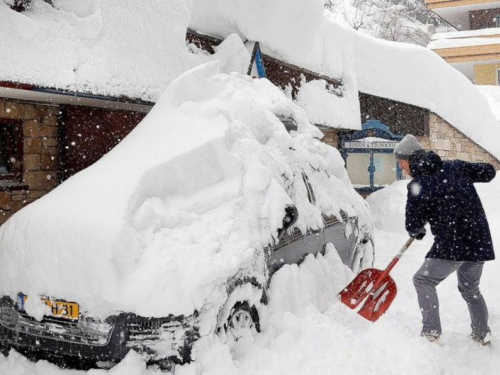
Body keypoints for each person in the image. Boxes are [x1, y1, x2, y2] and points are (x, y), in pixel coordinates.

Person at [394, 134, 496, 346]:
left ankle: (431, 333)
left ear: (410, 159)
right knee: (470, 288)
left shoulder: (417, 185)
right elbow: (487, 171)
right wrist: (472, 171)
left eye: (401, 163)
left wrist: (417, 230)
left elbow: (413, 224)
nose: (402, 168)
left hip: (453, 243)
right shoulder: (455, 166)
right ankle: (482, 334)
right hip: (478, 240)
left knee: (423, 280)